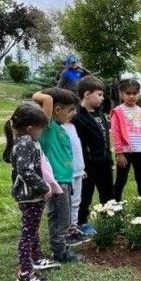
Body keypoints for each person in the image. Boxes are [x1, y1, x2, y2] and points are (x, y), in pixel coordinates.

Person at [3, 103, 59, 281]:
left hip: (33, 196)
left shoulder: (27, 141)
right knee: (28, 232)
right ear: (30, 128)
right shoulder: (25, 144)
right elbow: (26, 172)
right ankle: (25, 272)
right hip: (30, 196)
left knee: (32, 229)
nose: (42, 132)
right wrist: (45, 187)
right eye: (41, 128)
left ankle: (36, 258)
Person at [32, 88, 85, 263]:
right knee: (60, 219)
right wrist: (42, 95)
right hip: (57, 182)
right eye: (70, 110)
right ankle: (60, 252)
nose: (74, 113)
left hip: (65, 180)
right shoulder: (48, 126)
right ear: (57, 110)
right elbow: (46, 99)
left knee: (64, 216)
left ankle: (60, 248)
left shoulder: (61, 128)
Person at [72, 76, 114, 234]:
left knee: (108, 192)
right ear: (87, 94)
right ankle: (82, 221)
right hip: (89, 165)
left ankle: (109, 218)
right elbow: (80, 146)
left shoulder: (99, 113)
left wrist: (109, 158)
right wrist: (82, 165)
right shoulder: (77, 118)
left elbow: (105, 139)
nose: (102, 98)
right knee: (86, 194)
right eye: (100, 94)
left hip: (104, 161)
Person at [111, 79, 141, 200]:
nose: (131, 96)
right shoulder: (118, 111)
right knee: (121, 179)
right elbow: (116, 132)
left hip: (140, 151)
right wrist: (119, 153)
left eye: (135, 93)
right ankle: (115, 205)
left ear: (139, 93)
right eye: (128, 93)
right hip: (124, 152)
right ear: (121, 94)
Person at [61, 117, 91, 246]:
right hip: (68, 172)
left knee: (76, 202)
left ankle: (73, 229)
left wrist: (81, 168)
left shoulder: (72, 127)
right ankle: (66, 233)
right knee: (68, 204)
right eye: (70, 110)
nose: (73, 114)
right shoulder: (58, 128)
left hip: (78, 170)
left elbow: (77, 150)